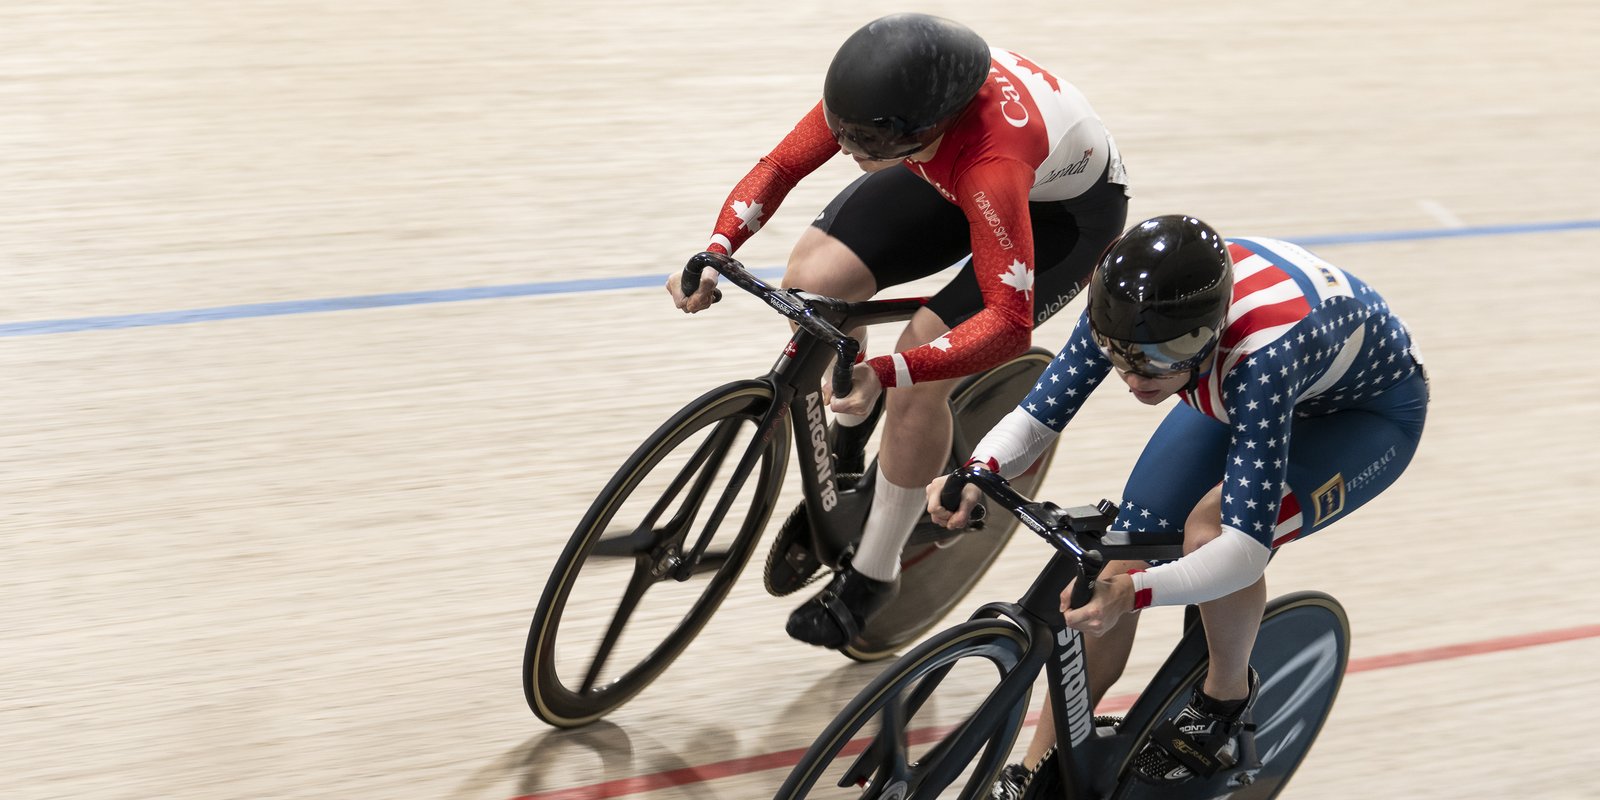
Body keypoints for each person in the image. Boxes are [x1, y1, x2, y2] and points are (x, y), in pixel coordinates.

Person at [666, 12, 1131, 650]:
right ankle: (850, 432)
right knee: (816, 274)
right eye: (844, 133)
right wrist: (717, 247)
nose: (851, 151)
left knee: (920, 358)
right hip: (943, 172)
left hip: (1060, 220)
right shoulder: (883, 100)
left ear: (924, 125)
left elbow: (1007, 326)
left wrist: (887, 372)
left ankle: (873, 574)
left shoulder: (991, 159)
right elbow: (779, 166)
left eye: (868, 143)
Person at [926, 215, 1428, 795]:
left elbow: (1241, 551)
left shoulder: (1259, 357)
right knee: (1112, 562)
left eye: (1159, 361)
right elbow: (1039, 414)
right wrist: (977, 471)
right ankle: (1037, 771)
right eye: (1119, 358)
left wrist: (1138, 594)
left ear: (1206, 333)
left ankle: (1224, 698)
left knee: (1210, 532)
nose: (1136, 379)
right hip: (1237, 387)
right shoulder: (1125, 309)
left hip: (1363, 417)